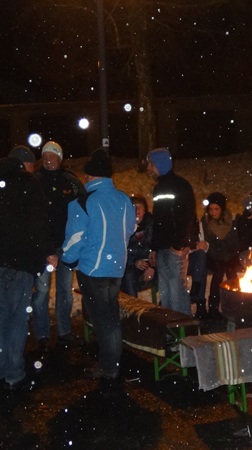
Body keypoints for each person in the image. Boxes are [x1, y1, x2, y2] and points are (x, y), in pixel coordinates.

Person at [0, 145, 57, 390]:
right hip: (21, 261)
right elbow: (39, 222)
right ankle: (13, 372)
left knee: (1, 315)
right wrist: (48, 251)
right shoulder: (29, 184)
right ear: (24, 165)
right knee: (18, 318)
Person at [62, 150, 136, 393]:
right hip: (116, 268)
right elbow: (130, 229)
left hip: (92, 270)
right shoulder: (124, 199)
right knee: (110, 315)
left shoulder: (83, 202)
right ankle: (112, 363)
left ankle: (109, 367)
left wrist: (68, 260)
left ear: (90, 176)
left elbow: (75, 238)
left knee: (103, 319)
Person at [32, 141, 86, 350]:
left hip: (66, 246)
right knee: (42, 291)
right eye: (45, 156)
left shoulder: (70, 181)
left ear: (60, 158)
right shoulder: (35, 180)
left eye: (52, 156)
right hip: (43, 246)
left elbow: (84, 206)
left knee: (64, 290)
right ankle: (42, 335)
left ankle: (64, 332)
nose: (48, 160)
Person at [146, 148, 197, 315]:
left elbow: (187, 217)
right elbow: (158, 219)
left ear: (160, 163)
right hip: (163, 248)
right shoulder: (159, 188)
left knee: (177, 288)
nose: (149, 168)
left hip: (175, 248)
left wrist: (178, 244)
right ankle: (169, 323)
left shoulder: (180, 186)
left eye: (151, 164)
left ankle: (182, 324)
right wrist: (154, 248)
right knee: (166, 289)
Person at [200, 192, 238, 321]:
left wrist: (228, 256)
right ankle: (213, 309)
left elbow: (233, 241)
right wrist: (219, 255)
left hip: (229, 253)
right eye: (211, 209)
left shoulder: (229, 219)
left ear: (222, 209)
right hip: (213, 254)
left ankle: (236, 305)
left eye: (216, 209)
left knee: (232, 274)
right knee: (218, 272)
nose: (213, 212)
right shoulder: (205, 221)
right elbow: (208, 243)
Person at [121, 195, 156, 297]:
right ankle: (133, 304)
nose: (137, 210)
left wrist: (152, 266)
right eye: (134, 207)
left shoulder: (153, 224)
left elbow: (158, 247)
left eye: (140, 207)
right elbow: (122, 251)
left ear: (145, 209)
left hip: (151, 265)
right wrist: (134, 262)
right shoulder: (124, 226)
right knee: (128, 277)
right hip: (132, 266)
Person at [187, 218, 208, 319]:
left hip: (194, 261)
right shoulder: (177, 223)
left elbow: (202, 242)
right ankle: (201, 305)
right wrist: (193, 248)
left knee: (201, 258)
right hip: (181, 261)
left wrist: (205, 245)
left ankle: (196, 291)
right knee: (201, 267)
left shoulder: (197, 223)